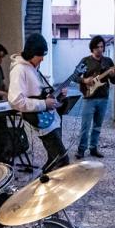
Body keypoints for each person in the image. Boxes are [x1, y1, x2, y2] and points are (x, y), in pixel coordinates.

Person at [8, 33, 70, 172]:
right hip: (42, 122)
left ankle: (45, 179)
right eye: (40, 55)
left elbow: (40, 93)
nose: (42, 59)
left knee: (53, 158)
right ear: (31, 53)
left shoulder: (33, 67)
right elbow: (15, 101)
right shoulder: (19, 69)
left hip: (51, 119)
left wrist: (58, 95)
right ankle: (49, 181)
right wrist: (44, 104)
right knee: (62, 160)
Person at [73, 36, 115, 158]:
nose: (100, 49)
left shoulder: (108, 62)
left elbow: (114, 81)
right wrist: (84, 80)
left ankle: (93, 148)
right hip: (89, 98)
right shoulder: (85, 61)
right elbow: (75, 76)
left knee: (97, 126)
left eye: (102, 47)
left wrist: (112, 75)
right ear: (92, 48)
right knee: (85, 126)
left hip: (103, 98)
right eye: (97, 47)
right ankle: (81, 149)